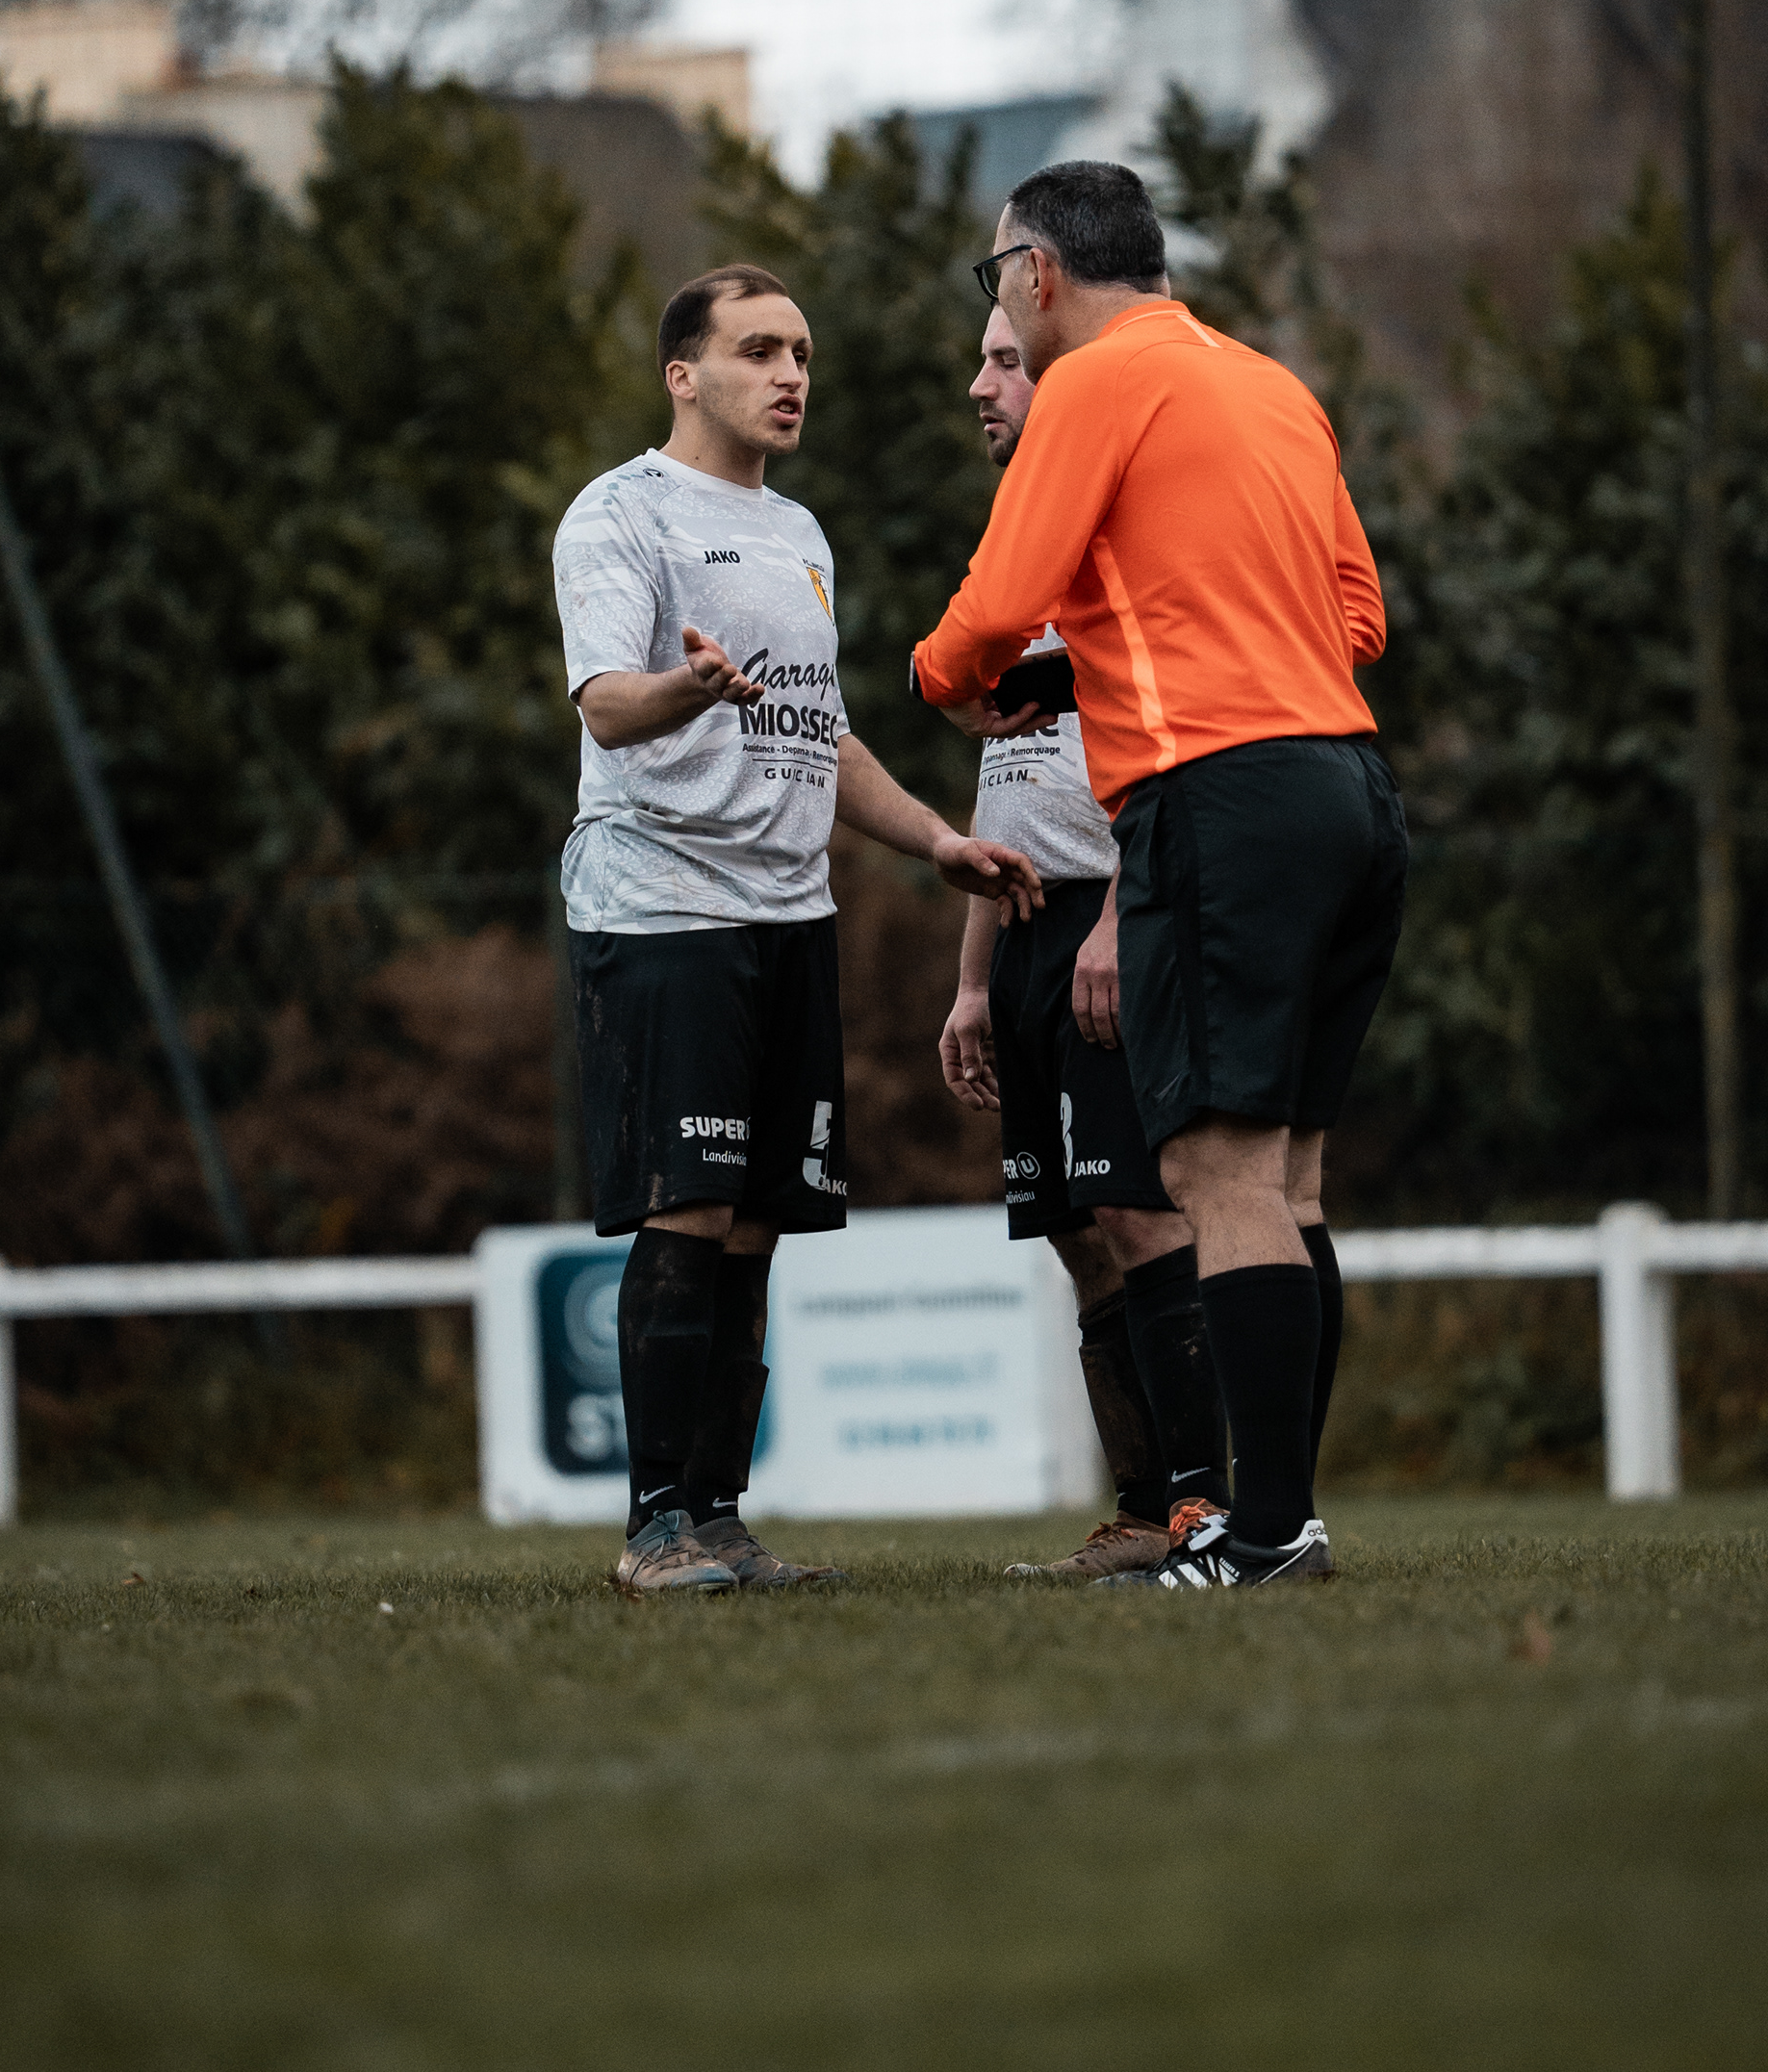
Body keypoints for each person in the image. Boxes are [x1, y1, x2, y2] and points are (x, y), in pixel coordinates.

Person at [913, 163, 1405, 1592]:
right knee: (1291, 1177)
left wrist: (944, 676)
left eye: (998, 276)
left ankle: (1263, 1534)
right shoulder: (1270, 384)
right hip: (1349, 790)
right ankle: (1285, 1518)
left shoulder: (1091, 381)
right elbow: (1356, 614)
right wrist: (1095, 673)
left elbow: (998, 605)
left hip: (1218, 800)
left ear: (1038, 274)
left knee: (1212, 1172)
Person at [553, 260, 1043, 1597]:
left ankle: (719, 1519)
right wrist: (688, 689)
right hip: (667, 906)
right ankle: (655, 1529)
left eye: (803, 355)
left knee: (759, 1222)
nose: (790, 376)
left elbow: (817, 734)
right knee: (690, 1204)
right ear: (683, 374)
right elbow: (607, 706)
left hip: (789, 914)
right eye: (760, 350)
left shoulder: (801, 534)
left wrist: (937, 840)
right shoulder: (621, 513)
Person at [938, 305, 1229, 1578]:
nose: (980, 383)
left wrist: (1118, 911)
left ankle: (1209, 1509)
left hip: (1118, 911)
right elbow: (1005, 786)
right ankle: (1141, 1510)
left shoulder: (1131, 536)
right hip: (1021, 929)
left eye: (1007, 360)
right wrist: (970, 981)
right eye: (983, 360)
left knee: (1139, 1206)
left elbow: (1166, 762)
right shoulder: (1012, 552)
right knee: (1074, 1229)